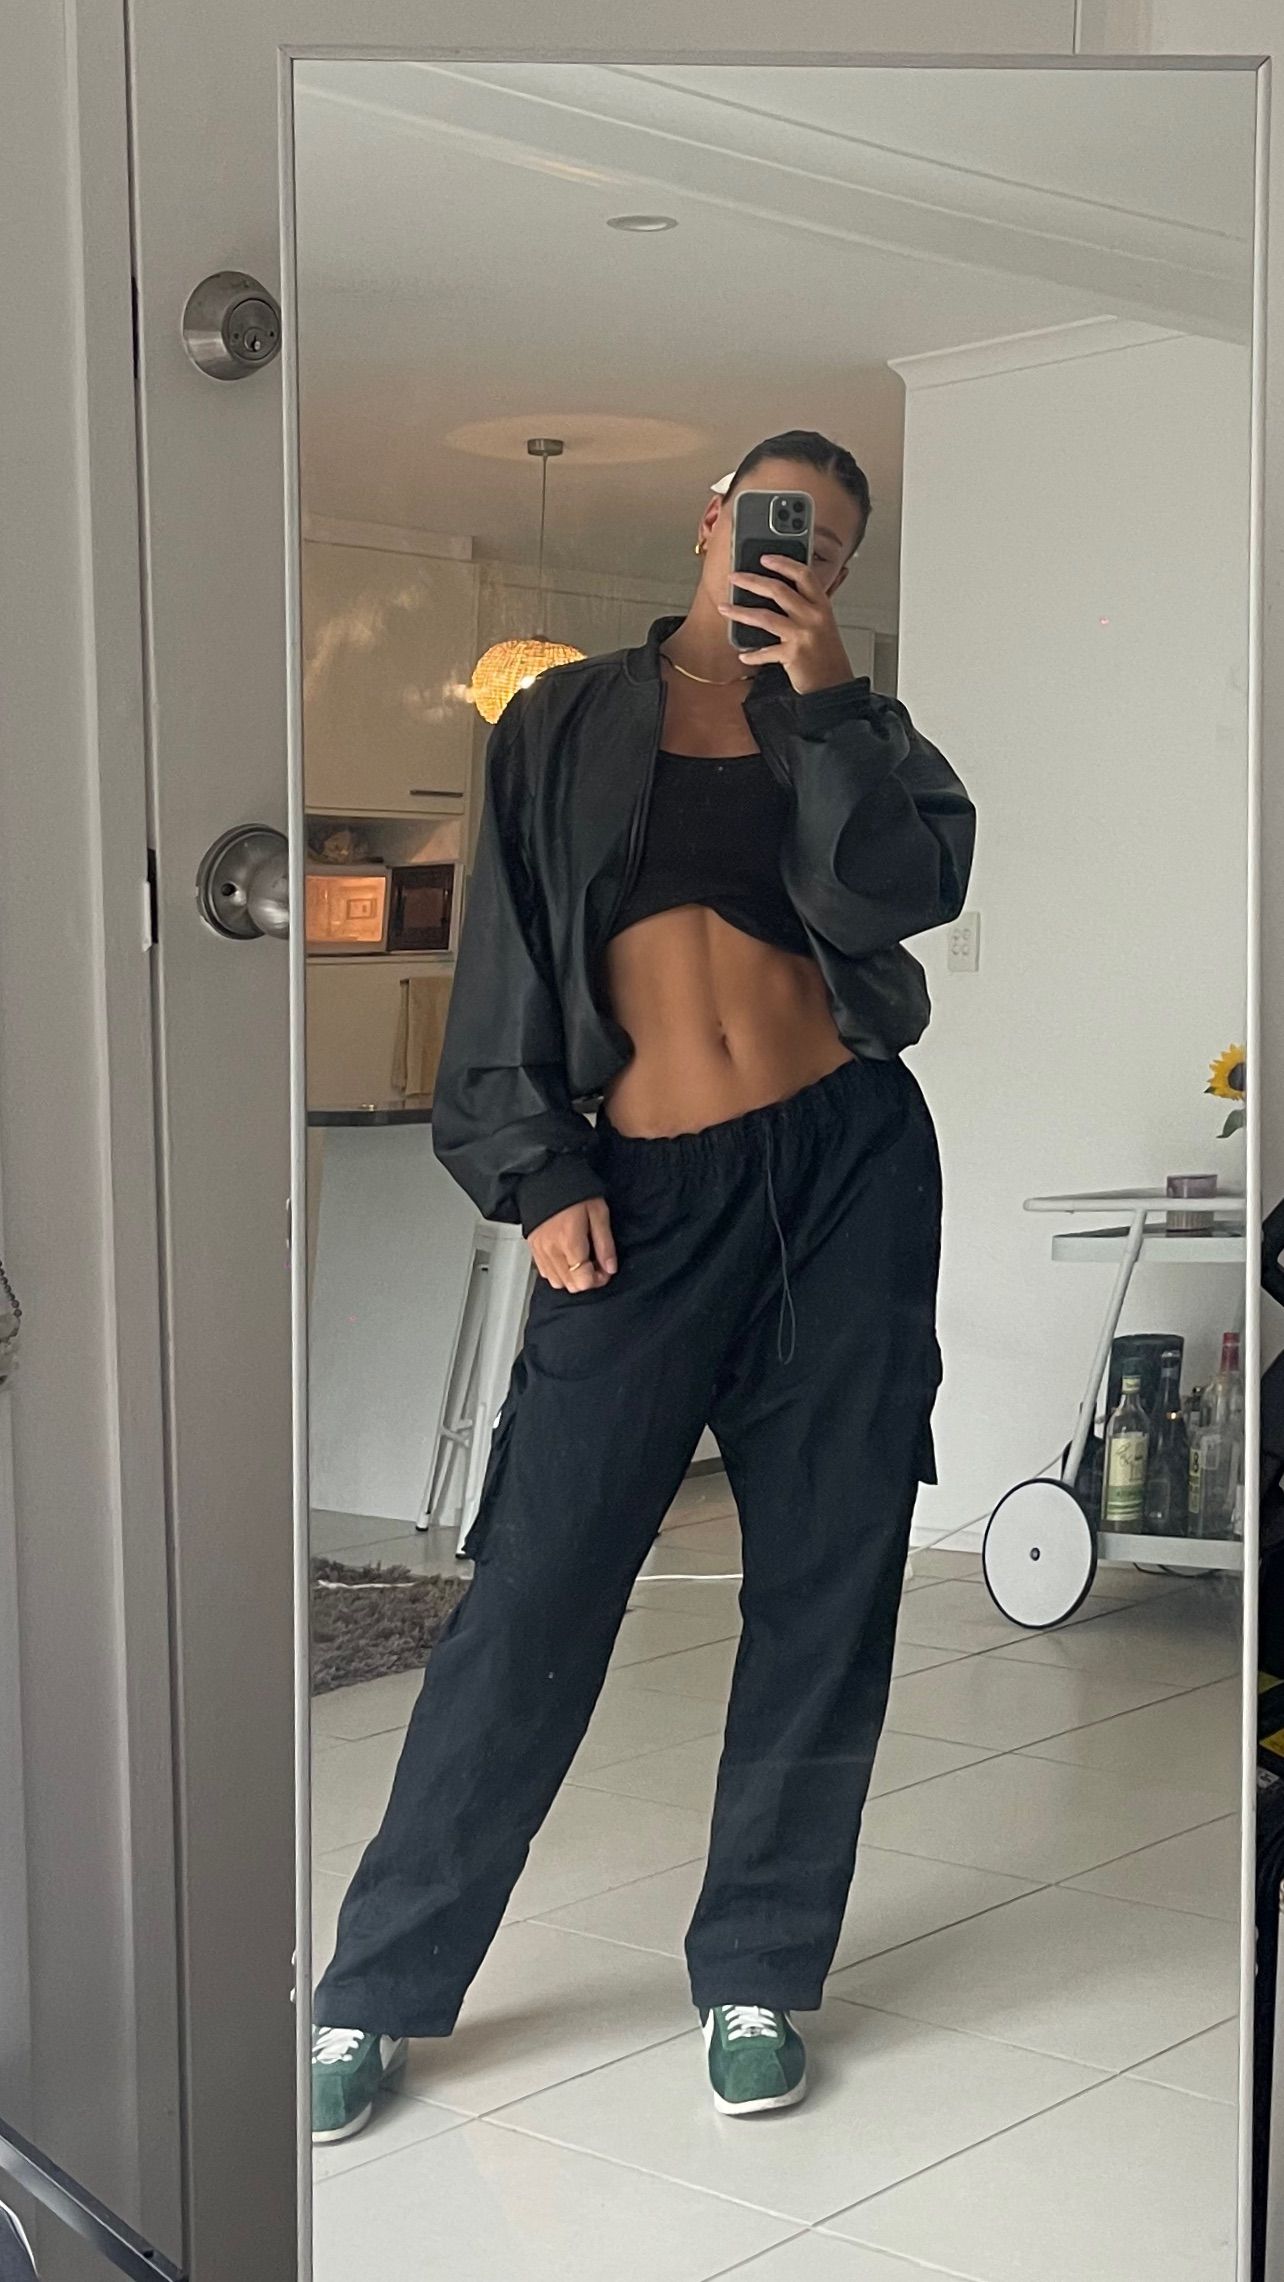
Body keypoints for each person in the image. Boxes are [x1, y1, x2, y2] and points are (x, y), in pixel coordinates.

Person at [311, 429, 975, 2139]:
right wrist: (536, 1171)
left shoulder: (858, 725)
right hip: (644, 1191)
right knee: (536, 1587)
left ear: (840, 570)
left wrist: (828, 699)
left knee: (828, 1574)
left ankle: (758, 1964)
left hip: (846, 1172)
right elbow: (505, 954)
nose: (790, 550)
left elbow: (903, 893)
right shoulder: (559, 721)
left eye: (825, 541)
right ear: (709, 521)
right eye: (771, 518)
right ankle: (377, 1980)